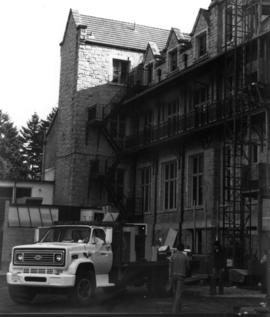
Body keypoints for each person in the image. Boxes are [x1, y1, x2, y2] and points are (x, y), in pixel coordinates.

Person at [170, 242, 191, 314]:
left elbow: (170, 267)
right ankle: (174, 311)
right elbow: (188, 267)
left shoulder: (173, 256)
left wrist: (170, 276)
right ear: (183, 249)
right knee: (178, 294)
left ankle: (179, 308)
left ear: (177, 248)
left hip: (174, 275)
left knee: (175, 292)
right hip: (181, 276)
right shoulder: (185, 257)